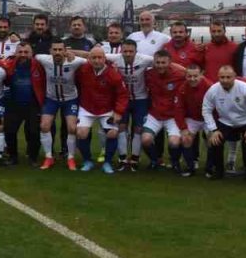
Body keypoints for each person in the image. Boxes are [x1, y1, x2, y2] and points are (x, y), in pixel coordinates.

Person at [201, 65, 246, 181]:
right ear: (218, 77)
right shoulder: (213, 90)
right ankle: (218, 170)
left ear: (235, 77)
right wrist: (213, 130)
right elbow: (206, 109)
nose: (225, 80)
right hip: (225, 121)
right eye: (222, 77)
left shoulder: (245, 88)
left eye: (228, 77)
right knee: (215, 141)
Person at [74, 46, 128, 173]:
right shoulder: (82, 70)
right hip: (87, 107)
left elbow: (123, 95)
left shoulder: (113, 74)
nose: (97, 61)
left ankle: (107, 162)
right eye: (94, 58)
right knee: (81, 133)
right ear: (89, 59)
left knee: (113, 133)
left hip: (107, 109)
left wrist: (118, 112)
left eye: (99, 57)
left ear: (105, 59)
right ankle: (87, 161)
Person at [36, 40, 87, 170]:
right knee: (44, 126)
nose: (57, 52)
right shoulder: (44, 59)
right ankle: (48, 157)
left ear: (65, 50)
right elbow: (34, 56)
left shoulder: (74, 61)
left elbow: (91, 58)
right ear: (50, 51)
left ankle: (70, 158)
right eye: (55, 50)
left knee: (71, 128)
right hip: (51, 99)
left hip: (70, 99)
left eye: (60, 50)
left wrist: (74, 53)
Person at [104, 40, 154, 170]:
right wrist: (69, 53)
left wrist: (185, 70)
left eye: (131, 51)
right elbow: (91, 55)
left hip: (140, 99)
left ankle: (135, 159)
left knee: (138, 129)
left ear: (136, 51)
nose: (128, 54)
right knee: (121, 127)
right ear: (121, 51)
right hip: (122, 100)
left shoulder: (144, 59)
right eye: (125, 51)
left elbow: (165, 61)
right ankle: (122, 158)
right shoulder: (115, 58)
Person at [141, 49, 186, 172]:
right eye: (158, 62)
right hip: (155, 114)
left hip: (173, 116)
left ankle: (175, 162)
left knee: (174, 142)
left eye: (163, 63)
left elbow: (193, 75)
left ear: (170, 62)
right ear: (154, 63)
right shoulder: (148, 74)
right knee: (145, 139)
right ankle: (155, 161)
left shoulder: (180, 74)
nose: (160, 65)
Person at [0, 42, 42, 167]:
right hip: (14, 103)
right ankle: (13, 157)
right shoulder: (8, 64)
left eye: (26, 52)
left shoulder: (39, 65)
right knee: (9, 130)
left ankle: (33, 158)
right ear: (15, 53)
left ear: (31, 54)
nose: (23, 55)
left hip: (32, 104)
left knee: (34, 132)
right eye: (20, 52)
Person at [176, 63, 211, 177]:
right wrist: (183, 128)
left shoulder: (210, 87)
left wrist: (214, 128)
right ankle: (190, 168)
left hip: (208, 118)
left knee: (213, 140)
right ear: (185, 76)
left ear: (201, 74)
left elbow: (217, 109)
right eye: (189, 76)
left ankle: (210, 168)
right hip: (192, 118)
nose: (192, 79)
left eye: (195, 76)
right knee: (186, 139)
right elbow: (179, 109)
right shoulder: (182, 88)